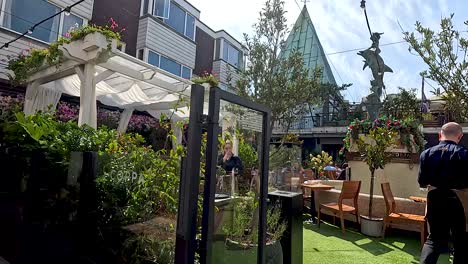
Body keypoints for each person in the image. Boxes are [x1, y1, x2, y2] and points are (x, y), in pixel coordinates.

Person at [418, 122, 468, 264]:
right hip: (459, 201)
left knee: (433, 239)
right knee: (461, 241)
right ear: (460, 137)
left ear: (440, 135)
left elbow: (422, 182)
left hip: (435, 199)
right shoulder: (465, 155)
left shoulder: (426, 154)